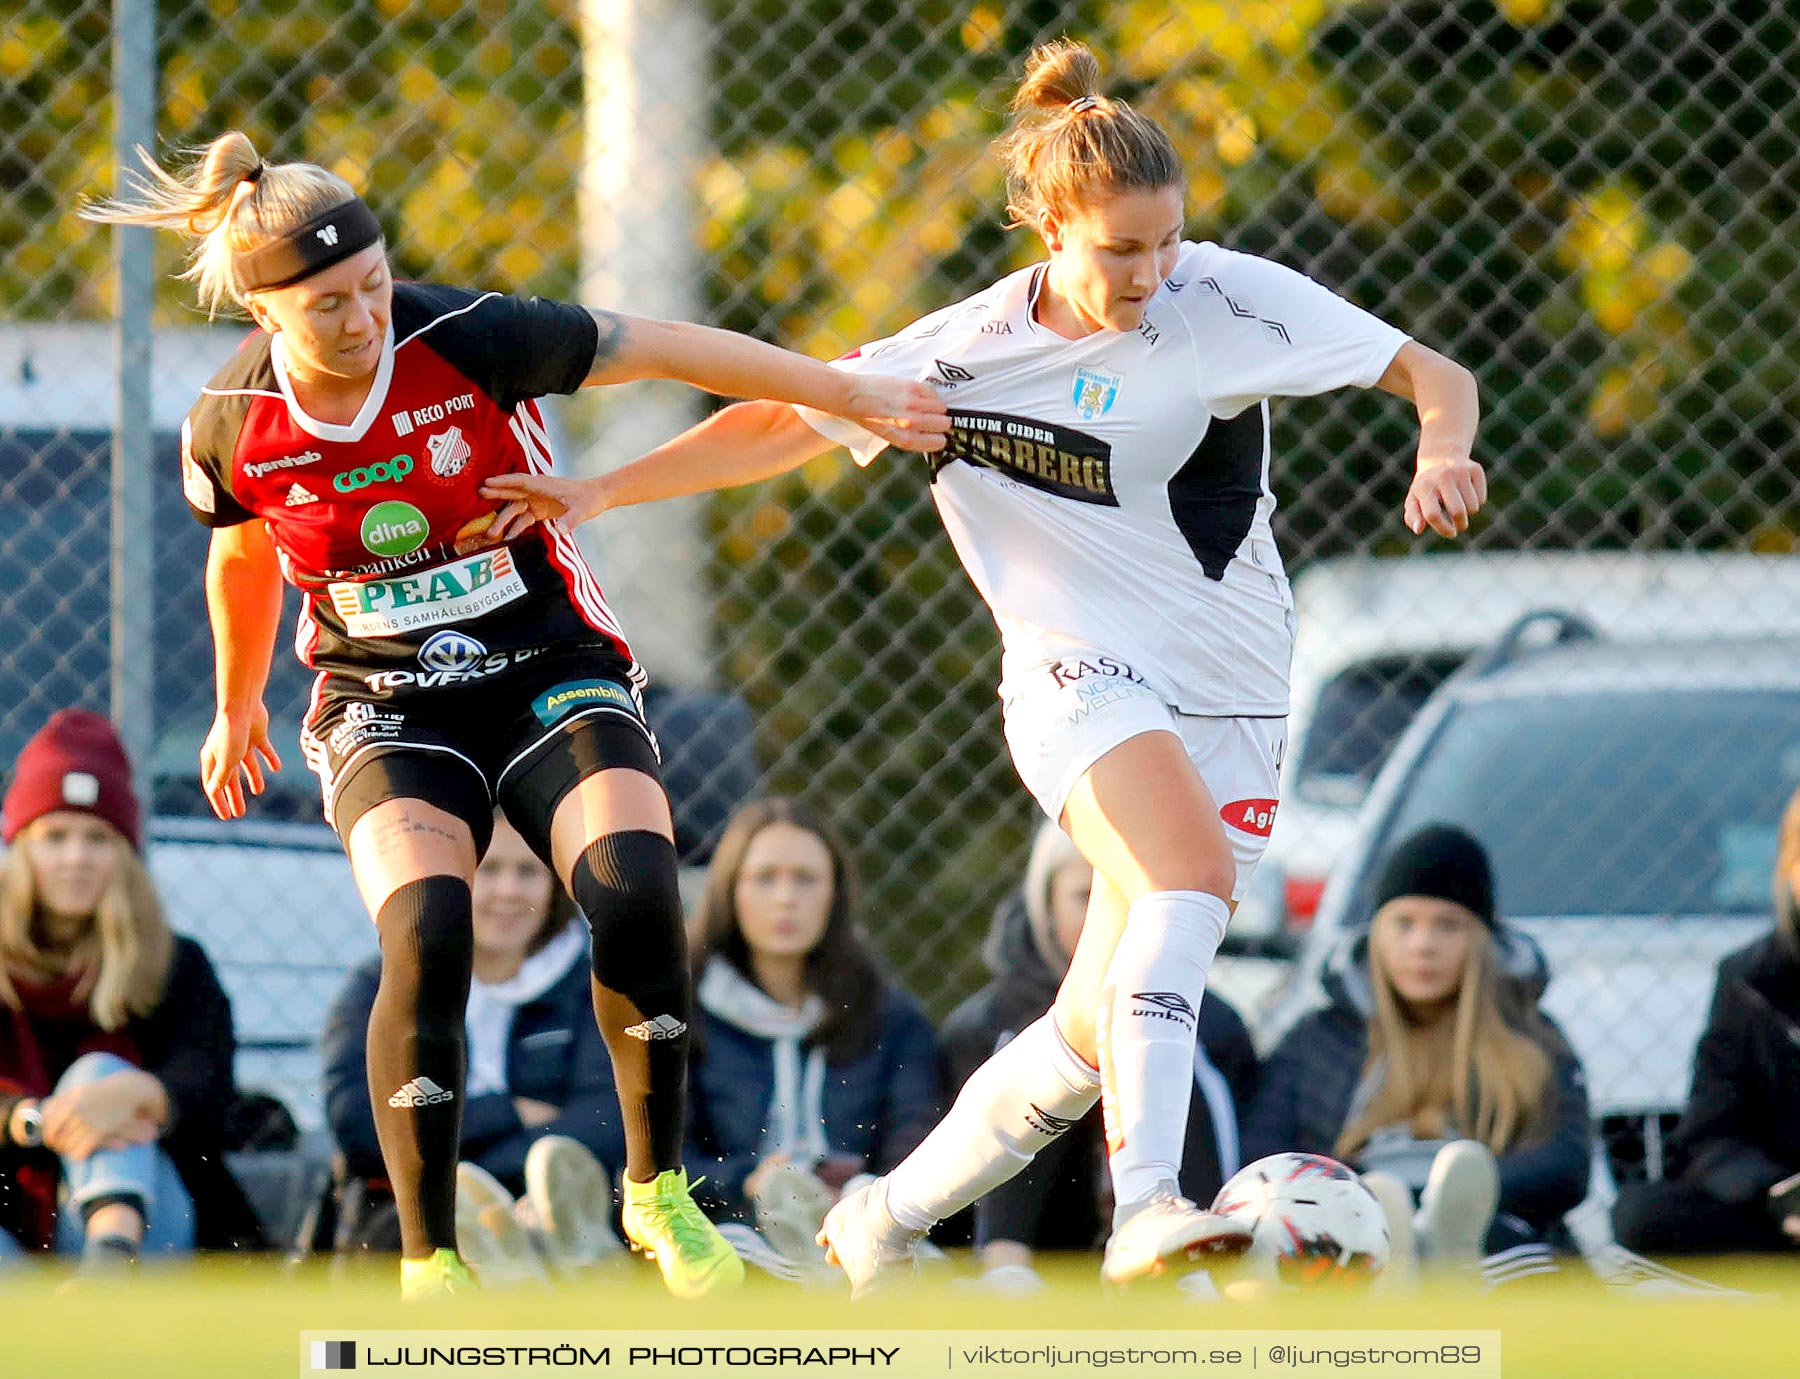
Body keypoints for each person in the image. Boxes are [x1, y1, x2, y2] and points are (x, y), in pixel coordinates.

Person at [483, 38, 1485, 1289]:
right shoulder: (955, 352)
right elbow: (782, 418)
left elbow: (1431, 374)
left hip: (1230, 690)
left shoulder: (1224, 301)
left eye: (1168, 242)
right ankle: (1154, 1207)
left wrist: (1440, 449)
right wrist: (600, 490)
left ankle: (879, 1220)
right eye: (1123, 250)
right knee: (1180, 883)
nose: (1152, 273)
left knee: (1086, 1028)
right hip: (1075, 676)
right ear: (1051, 227)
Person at [79, 133, 948, 1300]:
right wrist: (239, 704)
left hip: (544, 659)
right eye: (328, 303)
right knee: (429, 928)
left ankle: (656, 1192)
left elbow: (664, 348)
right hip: (384, 696)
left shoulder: (467, 337)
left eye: (375, 284)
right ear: (264, 309)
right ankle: (429, 1255)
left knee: (637, 877)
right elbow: (240, 550)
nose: (363, 318)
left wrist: (841, 391)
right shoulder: (232, 418)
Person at [1243, 825, 1591, 1276]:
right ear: (1375, 933)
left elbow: (1566, 1166)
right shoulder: (1319, 1040)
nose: (1423, 945)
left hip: (1493, 1226)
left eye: (1447, 925)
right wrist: (1364, 1200)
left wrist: (1454, 1199)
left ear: (1481, 940)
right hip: (1351, 1225)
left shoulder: (1532, 1036)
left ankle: (1444, 1262)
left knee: (1505, 1250)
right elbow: (1263, 1159)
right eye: (1404, 923)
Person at [940, 821, 1257, 1291]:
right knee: (1050, 1057)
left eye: (1135, 894)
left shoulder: (1217, 1025)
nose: (1111, 917)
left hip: (1180, 1220)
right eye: (1085, 896)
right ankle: (1006, 1268)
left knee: (1171, 1053)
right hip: (1042, 1250)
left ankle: (1193, 1258)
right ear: (1045, 905)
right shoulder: (986, 1022)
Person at [0, 709, 263, 1268]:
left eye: (97, 838)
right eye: (55, 837)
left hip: (153, 1218)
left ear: (125, 855)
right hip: (11, 1213)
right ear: (21, 847)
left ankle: (108, 1260)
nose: (76, 858)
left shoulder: (176, 962)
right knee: (99, 1087)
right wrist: (38, 1120)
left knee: (105, 1076)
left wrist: (146, 1097)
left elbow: (212, 1093)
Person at [321, 813, 626, 1275]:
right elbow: (360, 1126)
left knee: (561, 1219)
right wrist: (508, 1112)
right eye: (488, 870)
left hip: (550, 1202)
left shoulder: (592, 987)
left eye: (527, 872)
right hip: (411, 1209)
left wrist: (480, 1169)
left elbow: (608, 1119)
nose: (508, 891)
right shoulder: (381, 986)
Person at [684, 798, 943, 1267]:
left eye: (805, 879)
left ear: (834, 895)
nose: (785, 897)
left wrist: (869, 1192)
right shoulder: (682, 1012)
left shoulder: (890, 1014)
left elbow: (917, 1130)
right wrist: (747, 1180)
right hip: (735, 1223)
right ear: (730, 891)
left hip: (862, 1217)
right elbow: (661, 1160)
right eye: (765, 878)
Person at [1611, 787, 1800, 1258]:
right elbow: (1712, 1136)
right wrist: (1780, 1194)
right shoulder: (1749, 982)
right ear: (1789, 872)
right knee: (1643, 1214)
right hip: (1784, 1219)